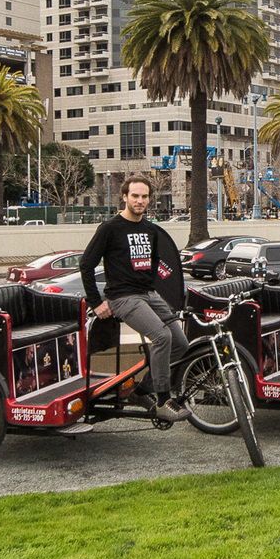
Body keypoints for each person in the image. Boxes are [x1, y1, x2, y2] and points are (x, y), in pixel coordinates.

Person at [78, 174, 187, 418]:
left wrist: (154, 289)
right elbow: (86, 265)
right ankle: (162, 400)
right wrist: (96, 302)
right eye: (135, 196)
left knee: (181, 344)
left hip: (148, 294)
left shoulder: (150, 230)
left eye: (144, 196)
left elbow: (156, 261)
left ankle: (143, 389)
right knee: (161, 336)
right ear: (125, 197)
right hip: (123, 298)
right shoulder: (110, 228)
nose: (140, 201)